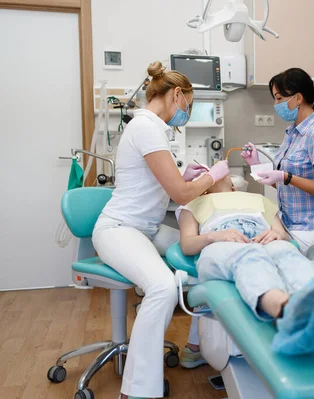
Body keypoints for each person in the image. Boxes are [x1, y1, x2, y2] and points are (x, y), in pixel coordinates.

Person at [92, 61, 230, 399]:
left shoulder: (153, 129)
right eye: (189, 106)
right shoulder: (145, 128)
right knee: (163, 288)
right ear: (177, 95)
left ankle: (196, 346)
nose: (187, 114)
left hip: (146, 229)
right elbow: (180, 194)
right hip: (119, 229)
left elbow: (166, 183)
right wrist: (212, 175)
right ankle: (137, 391)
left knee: (205, 259)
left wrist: (186, 177)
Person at [176, 174, 314, 355]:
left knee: (287, 253)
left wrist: (278, 235)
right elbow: (187, 244)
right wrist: (213, 236)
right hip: (221, 245)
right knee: (250, 255)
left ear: (234, 186)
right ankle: (285, 311)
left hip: (265, 242)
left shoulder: (258, 199)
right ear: (203, 189)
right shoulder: (194, 204)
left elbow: (281, 233)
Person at [241, 68, 314, 254]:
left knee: (267, 254)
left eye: (279, 98)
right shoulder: (292, 132)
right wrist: (256, 165)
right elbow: (287, 187)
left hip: (313, 228)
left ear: (298, 98)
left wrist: (286, 176)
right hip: (289, 223)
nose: (276, 104)